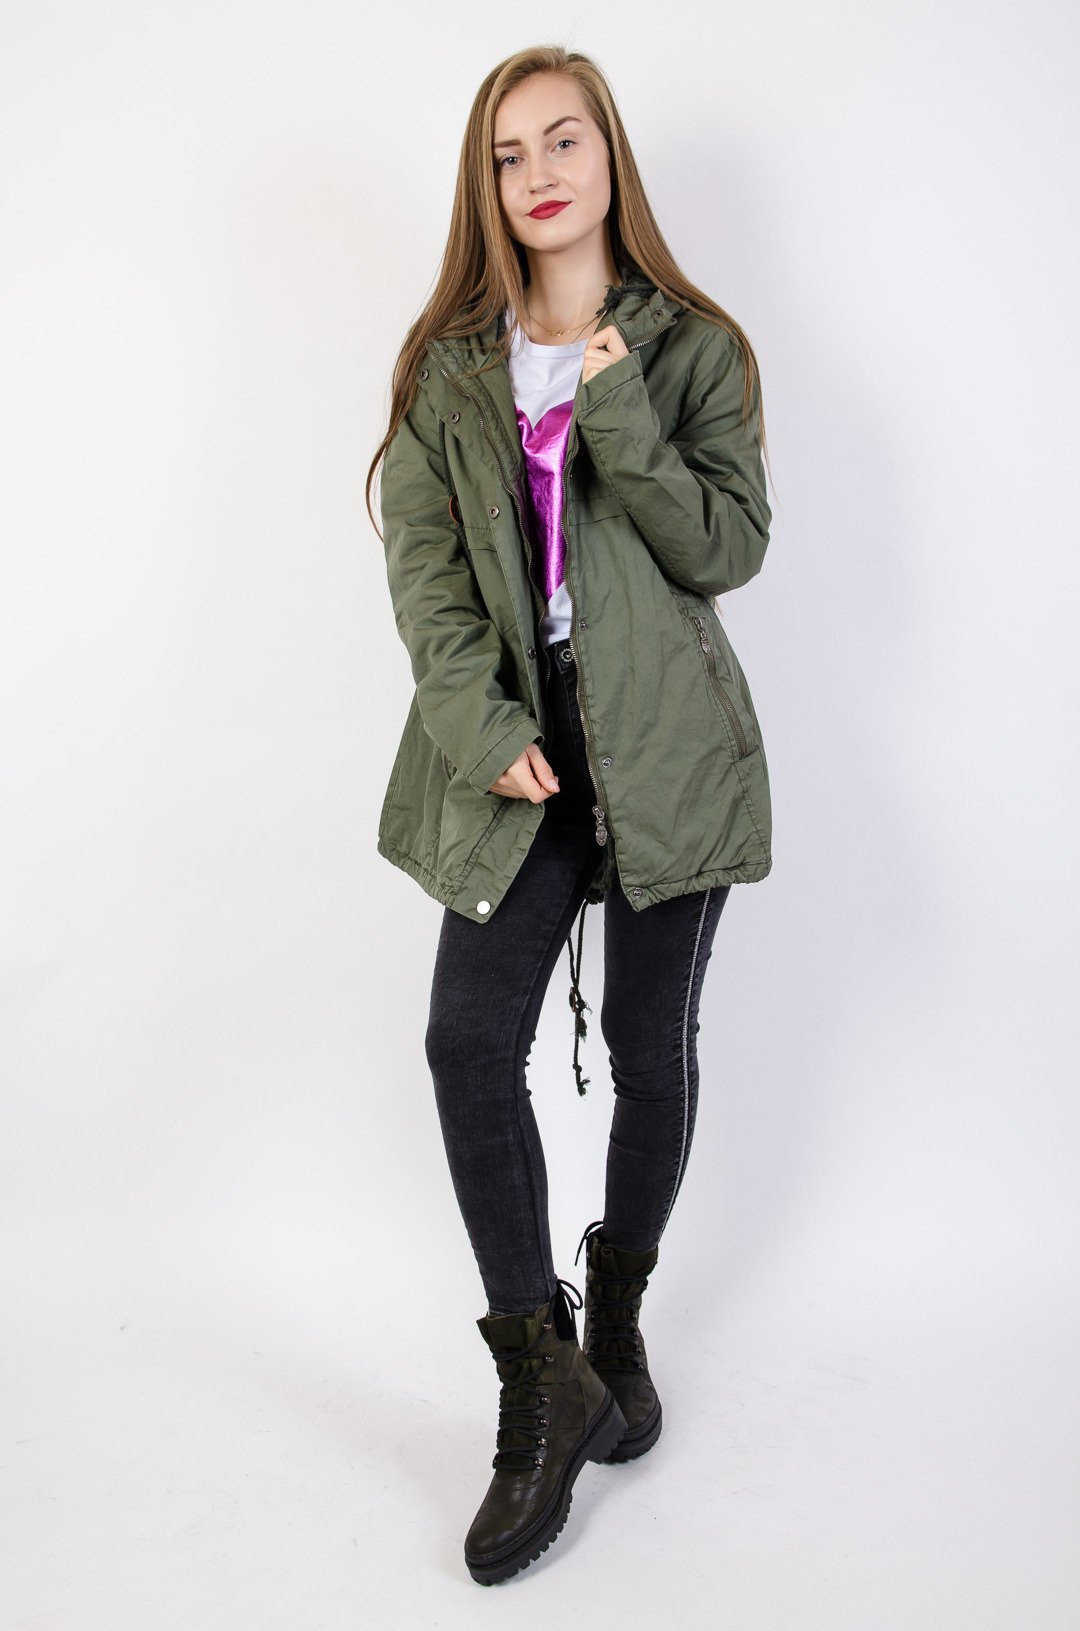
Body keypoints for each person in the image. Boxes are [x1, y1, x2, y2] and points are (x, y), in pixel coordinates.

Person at [365, 44, 774, 1586]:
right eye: (507, 154)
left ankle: (619, 1322)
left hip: (665, 745)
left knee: (654, 1053)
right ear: (484, 186)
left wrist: (619, 416)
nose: (537, 174)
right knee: (468, 1040)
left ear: (610, 158)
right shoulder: (448, 370)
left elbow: (727, 547)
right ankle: (541, 1378)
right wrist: (482, 729)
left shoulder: (692, 346)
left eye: (563, 141)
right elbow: (425, 580)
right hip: (517, 749)